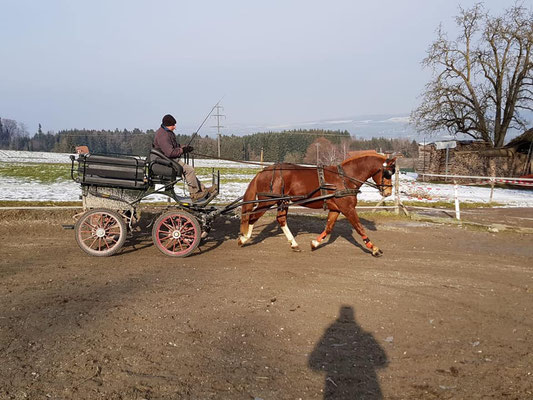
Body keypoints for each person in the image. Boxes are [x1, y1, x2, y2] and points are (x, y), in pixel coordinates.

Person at [153, 114, 216, 201]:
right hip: (165, 162)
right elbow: (170, 152)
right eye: (173, 125)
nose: (175, 127)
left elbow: (174, 146)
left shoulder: (166, 132)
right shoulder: (163, 135)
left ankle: (203, 190)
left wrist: (184, 147)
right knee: (189, 170)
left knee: (189, 171)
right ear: (168, 125)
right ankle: (194, 194)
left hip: (168, 160)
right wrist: (182, 150)